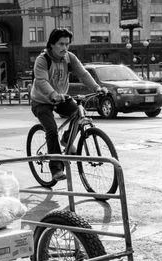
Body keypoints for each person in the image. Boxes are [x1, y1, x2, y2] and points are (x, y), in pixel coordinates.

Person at [30, 28, 107, 181]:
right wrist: (53, 95)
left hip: (61, 97)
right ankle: (56, 169)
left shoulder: (69, 57)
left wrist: (96, 87)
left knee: (79, 113)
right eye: (61, 44)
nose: (65, 48)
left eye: (67, 44)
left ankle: (67, 139)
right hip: (41, 101)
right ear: (52, 44)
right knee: (51, 130)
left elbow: (83, 74)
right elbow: (41, 81)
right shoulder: (42, 59)